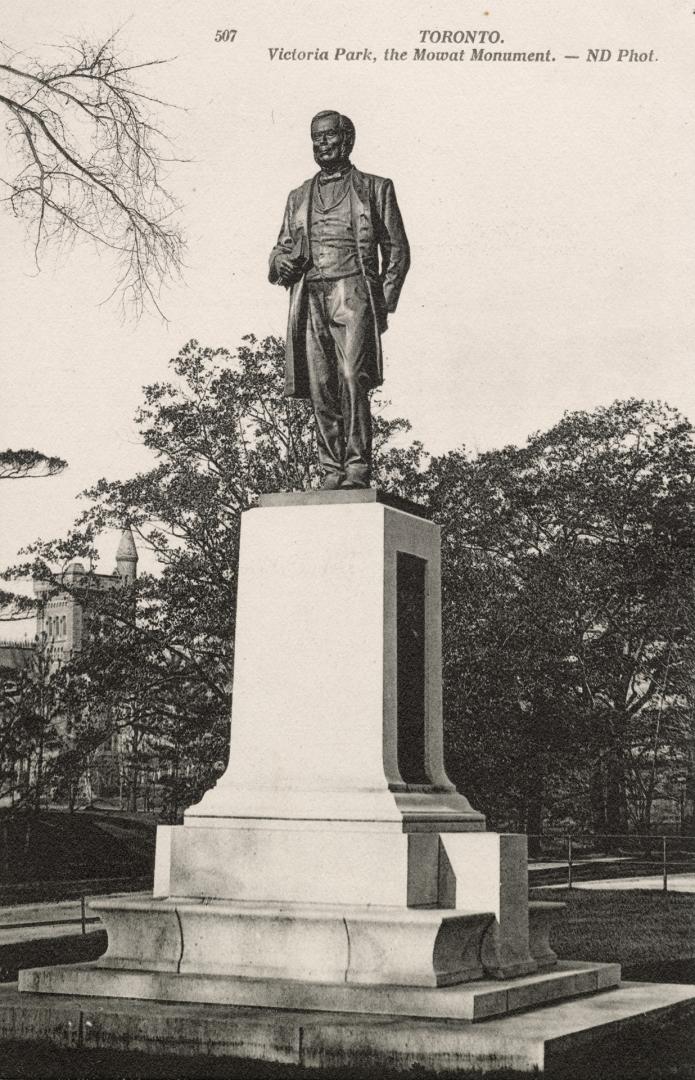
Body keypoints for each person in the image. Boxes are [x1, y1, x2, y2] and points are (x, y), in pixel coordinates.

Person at [269, 110, 410, 489]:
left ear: (347, 139)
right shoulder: (298, 196)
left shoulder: (375, 188)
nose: (322, 144)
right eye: (316, 138)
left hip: (353, 290)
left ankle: (357, 464)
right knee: (321, 383)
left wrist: (382, 303)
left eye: (329, 137)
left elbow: (397, 251)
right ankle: (331, 468)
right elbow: (279, 250)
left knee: (352, 378)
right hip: (310, 293)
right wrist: (281, 262)